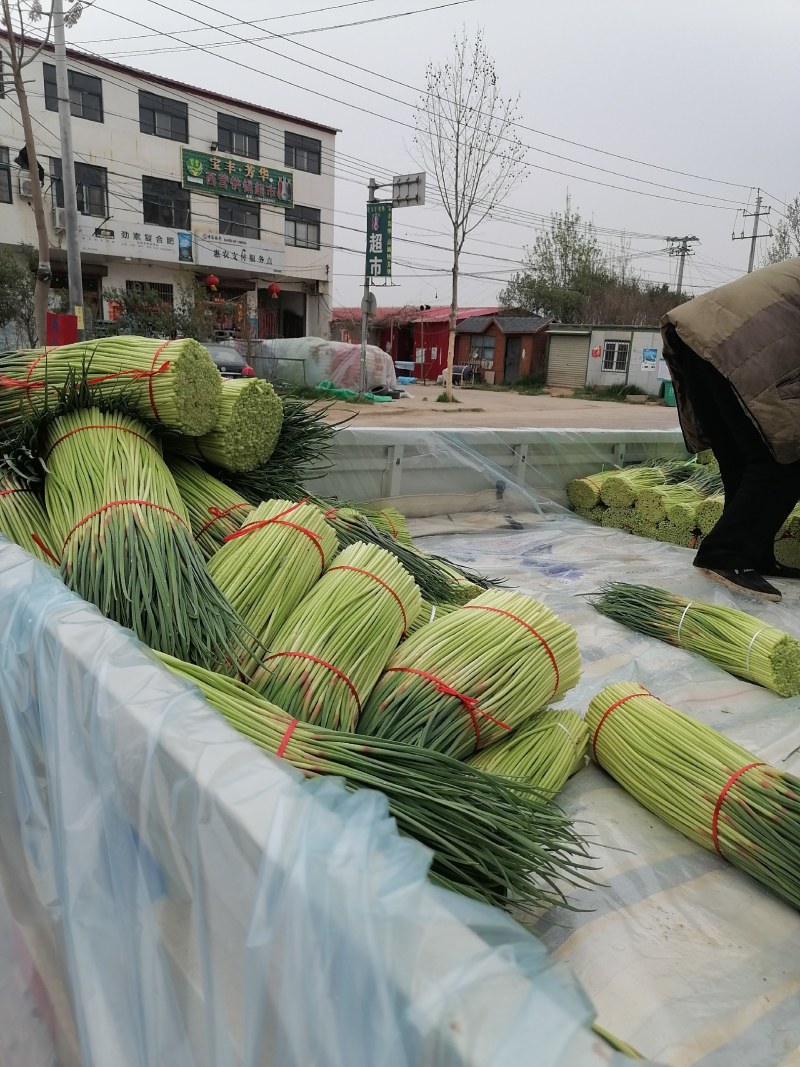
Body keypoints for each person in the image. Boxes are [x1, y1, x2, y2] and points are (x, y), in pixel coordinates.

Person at [661, 257, 800, 603]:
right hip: (737, 346)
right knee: (784, 455)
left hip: (699, 335)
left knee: (741, 458)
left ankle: (752, 555)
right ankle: (726, 555)